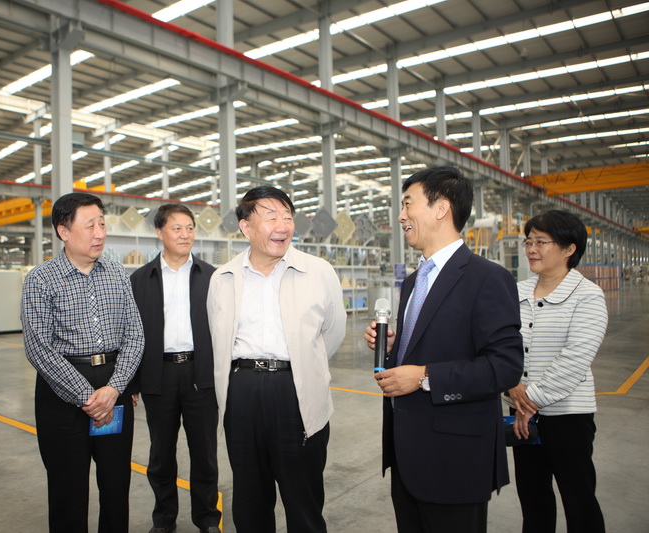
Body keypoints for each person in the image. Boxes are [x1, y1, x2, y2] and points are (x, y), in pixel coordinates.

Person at [364, 166, 523, 533]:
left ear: (441, 209)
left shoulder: (487, 278)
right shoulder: (413, 282)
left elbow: (505, 366)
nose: (401, 215)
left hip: (455, 460)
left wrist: (424, 377)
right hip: (407, 455)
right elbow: (426, 344)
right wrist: (394, 348)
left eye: (408, 204)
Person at [207, 186, 346, 533]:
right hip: (242, 392)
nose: (282, 226)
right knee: (250, 499)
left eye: (287, 217)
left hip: (296, 392)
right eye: (271, 217)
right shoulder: (223, 278)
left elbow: (332, 332)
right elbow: (217, 337)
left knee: (304, 499)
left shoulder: (318, 272)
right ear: (245, 226)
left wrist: (302, 366)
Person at [21, 192, 144, 533]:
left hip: (114, 387)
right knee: (68, 488)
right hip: (62, 393)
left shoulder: (117, 274)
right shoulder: (41, 279)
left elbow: (135, 334)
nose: (100, 233)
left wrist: (114, 388)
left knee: (116, 483)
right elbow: (38, 347)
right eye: (90, 226)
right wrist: (88, 397)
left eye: (102, 224)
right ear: (63, 231)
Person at [504, 209, 607, 533]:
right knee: (533, 500)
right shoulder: (515, 293)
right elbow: (500, 346)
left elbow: (575, 359)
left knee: (579, 500)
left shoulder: (587, 295)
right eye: (528, 241)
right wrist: (511, 386)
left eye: (541, 242)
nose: (531, 249)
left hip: (568, 417)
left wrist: (528, 401)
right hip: (522, 416)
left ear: (569, 248)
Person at [129, 204, 221, 533]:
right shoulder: (140, 279)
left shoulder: (213, 277)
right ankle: (164, 520)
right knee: (160, 455)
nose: (185, 234)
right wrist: (132, 382)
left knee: (205, 454)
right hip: (159, 376)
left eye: (190, 228)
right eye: (176, 228)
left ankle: (207, 520)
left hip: (201, 375)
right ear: (159, 232)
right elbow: (130, 333)